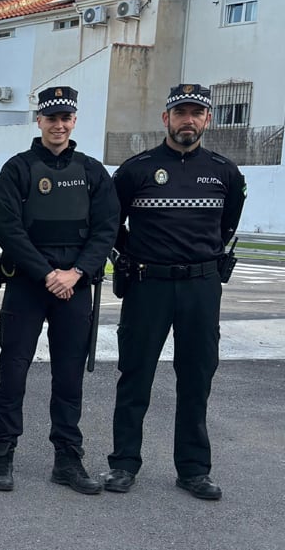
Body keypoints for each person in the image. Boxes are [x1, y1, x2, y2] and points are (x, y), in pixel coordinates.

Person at [102, 84, 246, 501]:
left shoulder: (224, 171)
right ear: (165, 118)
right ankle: (124, 464)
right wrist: (130, 259)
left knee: (197, 378)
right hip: (148, 285)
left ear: (208, 120)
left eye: (196, 113)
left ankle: (194, 470)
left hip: (201, 287)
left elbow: (228, 227)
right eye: (180, 112)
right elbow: (112, 224)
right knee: (135, 377)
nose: (188, 120)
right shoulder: (135, 170)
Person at [0, 86, 119, 494]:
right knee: (13, 372)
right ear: (39, 120)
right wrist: (48, 274)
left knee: (68, 378)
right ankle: (3, 455)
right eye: (51, 118)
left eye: (65, 118)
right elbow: (8, 229)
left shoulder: (92, 171)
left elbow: (105, 229)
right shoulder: (18, 168)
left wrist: (76, 273)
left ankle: (67, 459)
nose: (58, 125)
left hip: (75, 287)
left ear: (74, 121)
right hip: (29, 284)